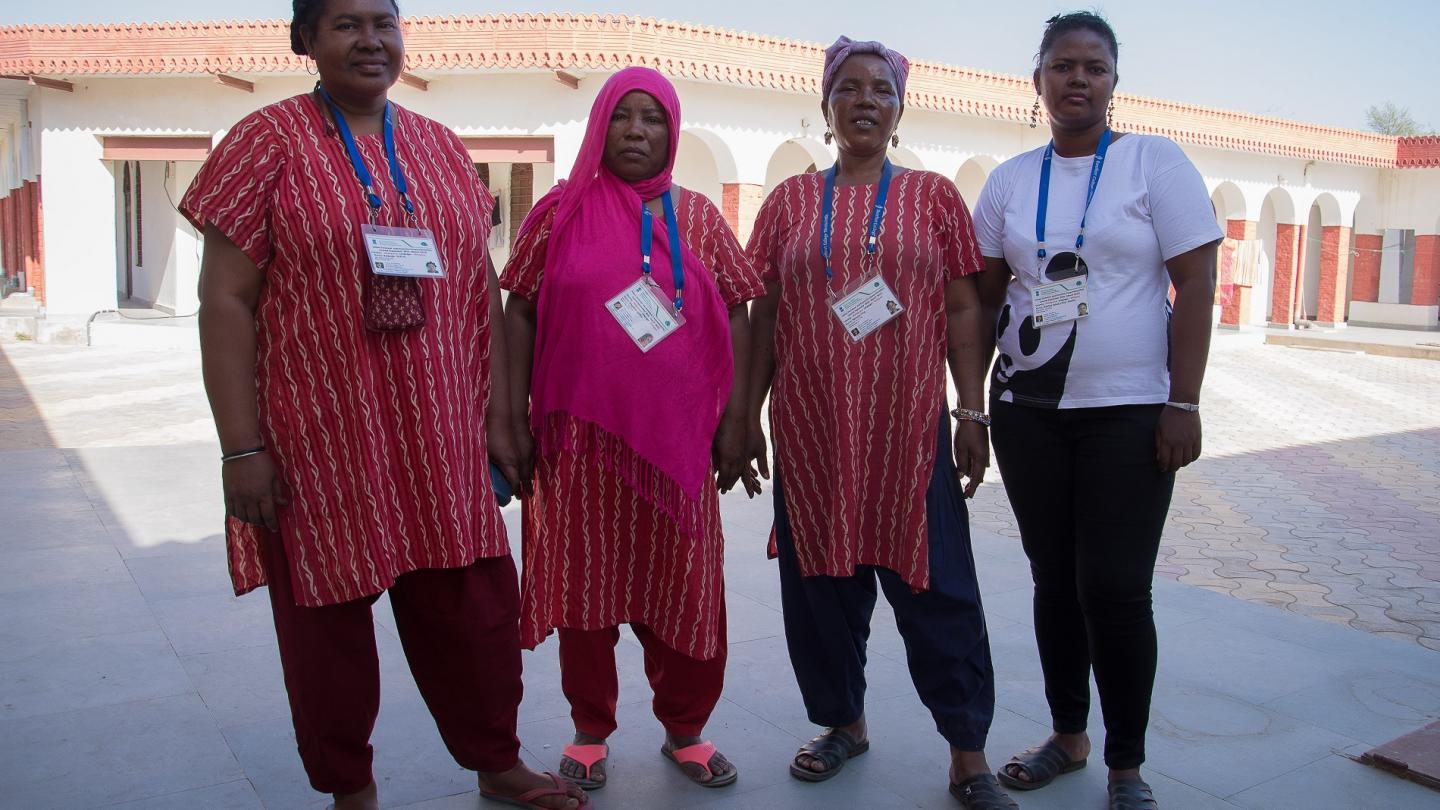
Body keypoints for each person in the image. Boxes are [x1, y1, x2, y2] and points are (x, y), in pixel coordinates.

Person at [183, 1, 588, 808]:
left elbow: (477, 289)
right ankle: (351, 788)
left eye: (384, 22)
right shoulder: (265, 142)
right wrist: (242, 447)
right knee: (326, 629)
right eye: (345, 24)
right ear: (306, 40)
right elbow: (223, 301)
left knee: (474, 614)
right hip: (319, 439)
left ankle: (497, 762)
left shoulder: (440, 146)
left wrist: (501, 418)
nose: (371, 40)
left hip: (440, 435)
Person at [743, 36, 1016, 810]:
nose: (865, 100)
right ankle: (844, 724)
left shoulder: (933, 197)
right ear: (825, 106)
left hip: (908, 438)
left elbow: (963, 309)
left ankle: (968, 752)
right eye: (849, 88)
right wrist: (744, 414)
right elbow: (763, 315)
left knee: (941, 594)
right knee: (821, 592)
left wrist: (971, 410)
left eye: (881, 90)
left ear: (900, 110)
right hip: (812, 436)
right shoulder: (789, 201)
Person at [972, 12, 1222, 810]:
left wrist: (1184, 400)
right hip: (1028, 413)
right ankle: (1067, 735)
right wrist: (971, 408)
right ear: (1038, 79)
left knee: (1114, 587)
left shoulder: (1154, 162)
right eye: (1063, 66)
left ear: (1114, 82)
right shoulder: (1010, 180)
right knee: (1053, 579)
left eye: (1095, 67)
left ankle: (1126, 764)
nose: (1078, 79)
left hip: (1129, 412)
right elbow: (980, 298)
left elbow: (1197, 285)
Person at [502, 67, 764, 792]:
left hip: (679, 449)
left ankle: (686, 728)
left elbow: (739, 309)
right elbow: (518, 309)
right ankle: (590, 729)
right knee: (586, 589)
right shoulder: (557, 214)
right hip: (578, 447)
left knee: (684, 587)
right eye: (622, 116)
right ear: (599, 126)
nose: (637, 131)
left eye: (653, 118)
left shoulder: (700, 216)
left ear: (673, 131)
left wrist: (739, 418)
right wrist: (510, 417)